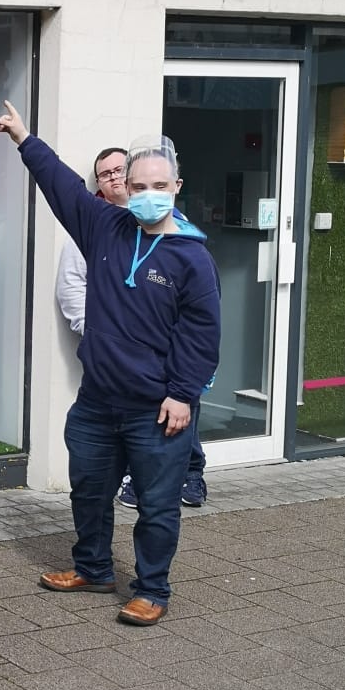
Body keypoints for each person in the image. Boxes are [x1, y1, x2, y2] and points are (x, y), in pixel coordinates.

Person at [0, 103, 220, 626]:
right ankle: (93, 567)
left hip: (156, 409)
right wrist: (25, 138)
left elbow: (202, 334)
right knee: (89, 491)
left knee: (157, 507)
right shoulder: (105, 226)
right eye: (138, 185)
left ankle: (152, 590)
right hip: (97, 401)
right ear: (122, 188)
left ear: (176, 186)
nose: (146, 195)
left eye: (157, 186)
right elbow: (63, 187)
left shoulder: (192, 257)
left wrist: (184, 393)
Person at [56, 147, 209, 511]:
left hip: (166, 372)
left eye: (117, 170)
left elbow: (199, 320)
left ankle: (190, 473)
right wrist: (98, 332)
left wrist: (186, 381)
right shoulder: (96, 227)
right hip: (112, 372)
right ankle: (129, 488)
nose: (112, 178)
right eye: (104, 174)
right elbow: (71, 289)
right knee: (99, 473)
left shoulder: (180, 234)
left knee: (177, 427)